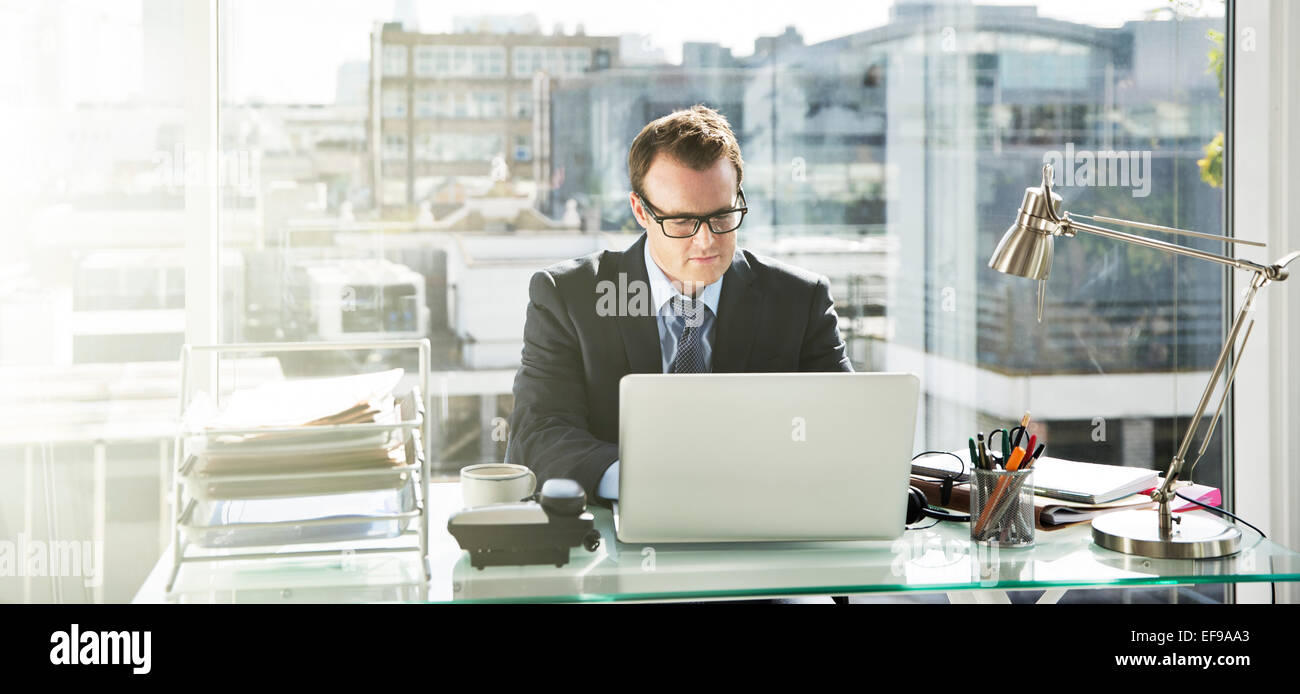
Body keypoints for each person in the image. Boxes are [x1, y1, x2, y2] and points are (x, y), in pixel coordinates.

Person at [508, 104, 853, 504]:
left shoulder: (800, 300)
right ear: (641, 211)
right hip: (621, 532)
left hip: (763, 522)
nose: (706, 241)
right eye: (682, 222)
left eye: (722, 216)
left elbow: (841, 427)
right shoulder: (568, 297)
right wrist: (646, 484)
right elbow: (538, 435)